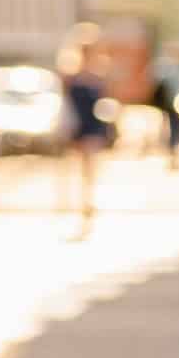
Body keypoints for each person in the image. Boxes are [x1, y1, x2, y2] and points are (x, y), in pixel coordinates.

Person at [64, 36, 113, 238]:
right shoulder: (70, 75)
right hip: (78, 127)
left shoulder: (99, 75)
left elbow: (105, 104)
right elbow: (67, 105)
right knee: (79, 168)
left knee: (90, 167)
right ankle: (82, 202)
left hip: (93, 128)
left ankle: (88, 202)